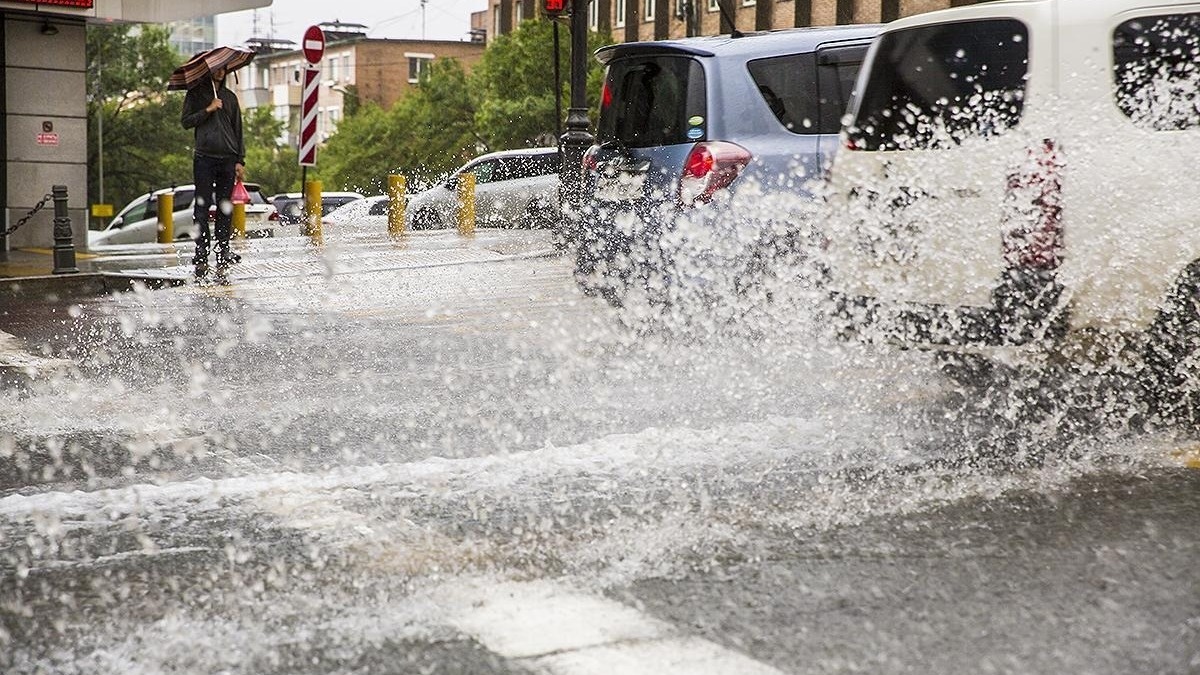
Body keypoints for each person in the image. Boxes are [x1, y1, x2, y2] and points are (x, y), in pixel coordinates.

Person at [181, 65, 245, 279]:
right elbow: (186, 122)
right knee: (202, 206)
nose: (220, 72)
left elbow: (238, 129)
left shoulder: (230, 97)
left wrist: (240, 160)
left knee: (225, 207)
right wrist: (208, 109)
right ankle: (201, 251)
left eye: (223, 69)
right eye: (216, 69)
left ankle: (223, 249)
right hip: (204, 158)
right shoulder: (196, 95)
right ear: (208, 71)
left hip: (227, 158)